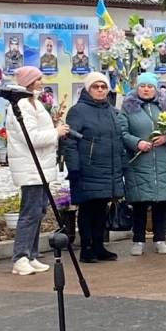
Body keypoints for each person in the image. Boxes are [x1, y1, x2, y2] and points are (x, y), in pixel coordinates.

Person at [6, 66, 70, 275]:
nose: (42, 82)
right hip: (30, 166)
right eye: (38, 79)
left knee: (38, 210)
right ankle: (20, 257)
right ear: (29, 81)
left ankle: (30, 254)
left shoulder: (33, 102)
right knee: (30, 212)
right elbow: (31, 138)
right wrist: (56, 132)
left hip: (40, 166)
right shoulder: (22, 105)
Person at [119, 72, 166, 256]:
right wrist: (137, 142)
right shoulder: (128, 108)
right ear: (137, 87)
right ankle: (138, 239)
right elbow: (122, 132)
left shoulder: (165, 106)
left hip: (161, 162)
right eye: (142, 86)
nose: (146, 89)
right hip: (139, 162)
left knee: (160, 202)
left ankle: (160, 239)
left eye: (150, 86)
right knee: (140, 202)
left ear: (155, 88)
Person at [63, 72, 125, 263]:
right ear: (88, 89)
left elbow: (117, 139)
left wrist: (121, 165)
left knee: (101, 208)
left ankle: (99, 245)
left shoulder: (111, 111)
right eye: (95, 86)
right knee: (88, 209)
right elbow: (69, 142)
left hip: (108, 168)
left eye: (103, 86)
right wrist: (74, 168)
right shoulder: (78, 111)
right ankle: (86, 247)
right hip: (87, 169)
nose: (100, 90)